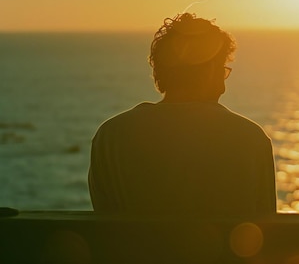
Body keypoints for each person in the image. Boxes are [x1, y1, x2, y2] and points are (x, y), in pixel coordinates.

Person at [88, 13, 276, 215]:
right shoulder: (250, 139)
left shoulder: (110, 137)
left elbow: (104, 214)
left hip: (134, 247)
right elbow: (266, 225)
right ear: (210, 70)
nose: (223, 87)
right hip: (218, 248)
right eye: (222, 71)